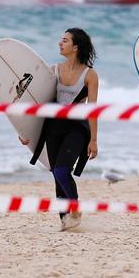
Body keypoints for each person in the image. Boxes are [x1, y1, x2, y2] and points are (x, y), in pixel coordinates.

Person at [21, 28, 99, 231]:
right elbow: (35, 102)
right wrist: (24, 130)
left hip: (76, 128)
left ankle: (74, 210)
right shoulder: (53, 71)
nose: (60, 43)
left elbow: (92, 110)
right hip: (54, 127)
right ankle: (66, 222)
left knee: (62, 170)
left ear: (76, 46)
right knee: (56, 175)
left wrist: (94, 140)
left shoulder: (90, 75)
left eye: (65, 40)